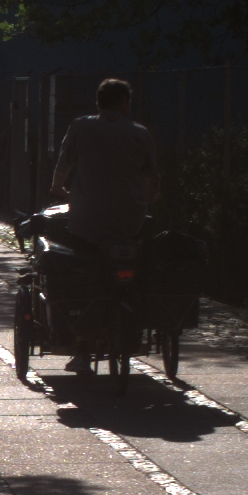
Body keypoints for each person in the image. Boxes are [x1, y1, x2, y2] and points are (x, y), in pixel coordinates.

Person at [49, 77, 160, 371]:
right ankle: (134, 319)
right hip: (129, 221)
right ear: (124, 102)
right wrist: (146, 203)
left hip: (87, 221)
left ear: (99, 102)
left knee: (84, 275)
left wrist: (58, 188)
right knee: (137, 263)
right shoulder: (139, 133)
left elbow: (64, 163)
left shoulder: (81, 127)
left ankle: (83, 347)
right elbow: (153, 179)